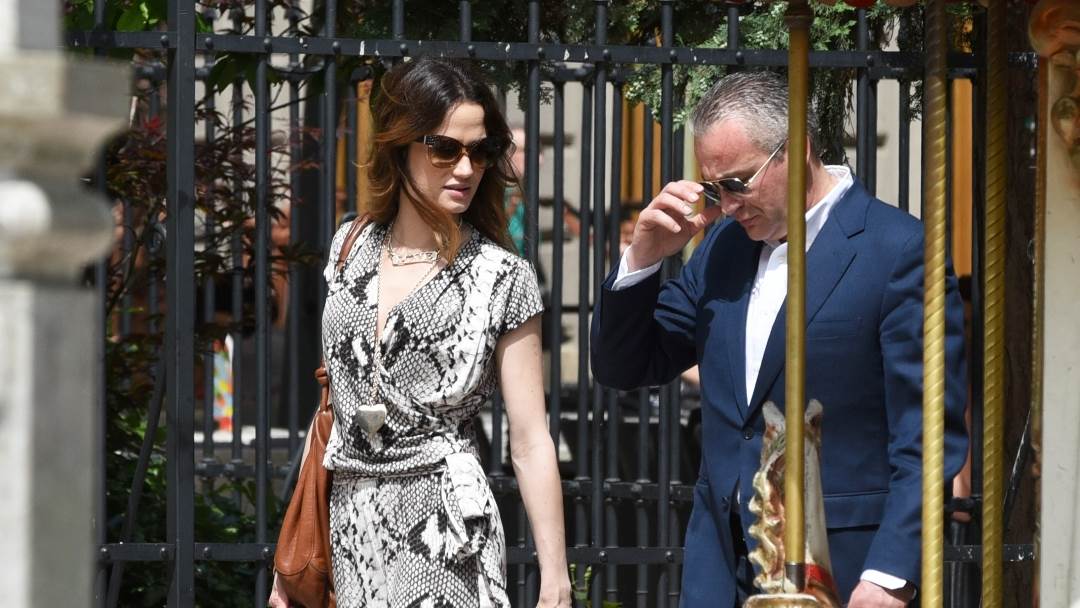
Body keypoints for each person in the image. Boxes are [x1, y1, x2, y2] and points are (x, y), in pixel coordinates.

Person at [589, 70, 967, 607]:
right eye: (714, 189)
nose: (727, 204)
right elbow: (623, 366)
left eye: (737, 183)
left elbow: (926, 432)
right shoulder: (723, 247)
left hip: (840, 567)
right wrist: (643, 259)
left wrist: (890, 574)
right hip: (721, 571)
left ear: (797, 149)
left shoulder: (896, 249)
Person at [270, 57, 571, 608]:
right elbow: (333, 403)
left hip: (443, 521)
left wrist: (556, 579)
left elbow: (530, 439)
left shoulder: (502, 277)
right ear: (400, 146)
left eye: (480, 151)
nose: (466, 168)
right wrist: (291, 563)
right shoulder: (350, 247)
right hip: (352, 521)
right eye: (445, 149)